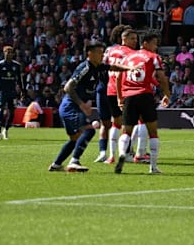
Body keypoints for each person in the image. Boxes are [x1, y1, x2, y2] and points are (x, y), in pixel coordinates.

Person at [48, 41, 134, 172]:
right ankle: (74, 162)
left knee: (74, 139)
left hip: (71, 107)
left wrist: (131, 68)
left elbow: (113, 67)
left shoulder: (97, 67)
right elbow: (68, 87)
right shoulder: (85, 68)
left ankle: (56, 164)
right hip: (71, 107)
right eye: (100, 52)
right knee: (89, 130)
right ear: (90, 54)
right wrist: (81, 104)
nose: (102, 55)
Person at [115, 34, 171, 174]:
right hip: (145, 95)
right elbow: (162, 77)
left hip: (129, 96)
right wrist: (167, 94)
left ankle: (123, 153)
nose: (156, 47)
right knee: (153, 132)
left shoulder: (128, 57)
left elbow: (118, 77)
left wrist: (120, 98)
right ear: (145, 43)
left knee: (126, 131)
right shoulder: (153, 57)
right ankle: (153, 166)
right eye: (154, 44)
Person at [95, 25, 138, 164]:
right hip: (123, 90)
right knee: (128, 123)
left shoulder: (110, 50)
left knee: (114, 123)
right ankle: (128, 152)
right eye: (133, 38)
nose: (135, 41)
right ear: (123, 38)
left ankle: (110, 155)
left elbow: (102, 66)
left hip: (108, 88)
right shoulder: (130, 53)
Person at [0, 46, 25, 141]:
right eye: (7, 52)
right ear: (4, 53)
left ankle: (5, 130)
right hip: (2, 91)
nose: (9, 54)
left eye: (11, 52)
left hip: (12, 92)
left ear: (13, 54)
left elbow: (20, 80)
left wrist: (22, 91)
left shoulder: (16, 65)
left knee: (12, 111)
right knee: (1, 109)